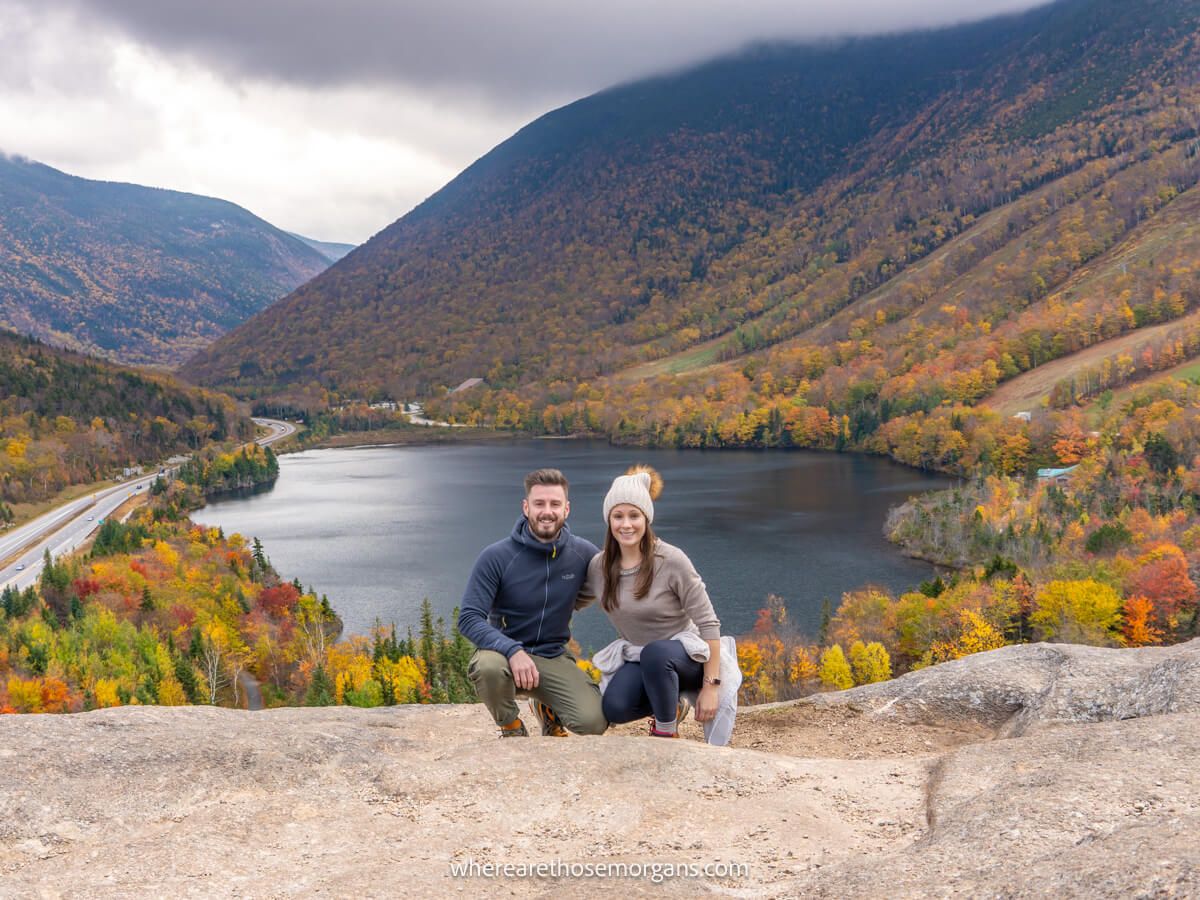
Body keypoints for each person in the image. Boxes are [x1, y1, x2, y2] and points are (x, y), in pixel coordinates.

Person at [458, 468, 607, 738]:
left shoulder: (582, 553)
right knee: (487, 667)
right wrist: (513, 651)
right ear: (526, 507)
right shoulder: (496, 556)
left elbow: (618, 579)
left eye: (555, 504)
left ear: (567, 509)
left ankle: (547, 710)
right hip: (502, 655)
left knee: (593, 723)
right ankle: (511, 726)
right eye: (539, 503)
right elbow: (469, 618)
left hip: (551, 655)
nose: (547, 511)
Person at [583, 465, 726, 738]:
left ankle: (665, 731)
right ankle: (672, 703)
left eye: (634, 515)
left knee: (657, 654)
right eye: (618, 516)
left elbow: (709, 623)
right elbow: (574, 599)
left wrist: (711, 686)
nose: (626, 524)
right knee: (615, 708)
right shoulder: (598, 567)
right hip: (641, 656)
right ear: (608, 520)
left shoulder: (671, 560)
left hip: (686, 658)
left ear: (646, 518)